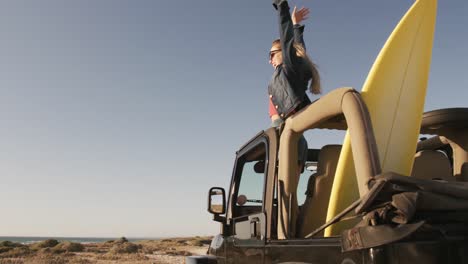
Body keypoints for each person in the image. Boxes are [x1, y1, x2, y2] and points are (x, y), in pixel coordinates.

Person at [268, 0, 321, 127]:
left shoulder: (289, 67)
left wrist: (281, 5)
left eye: (272, 54)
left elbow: (288, 39)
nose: (270, 60)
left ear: (284, 52)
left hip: (283, 128)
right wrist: (296, 25)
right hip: (281, 127)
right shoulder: (289, 70)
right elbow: (299, 50)